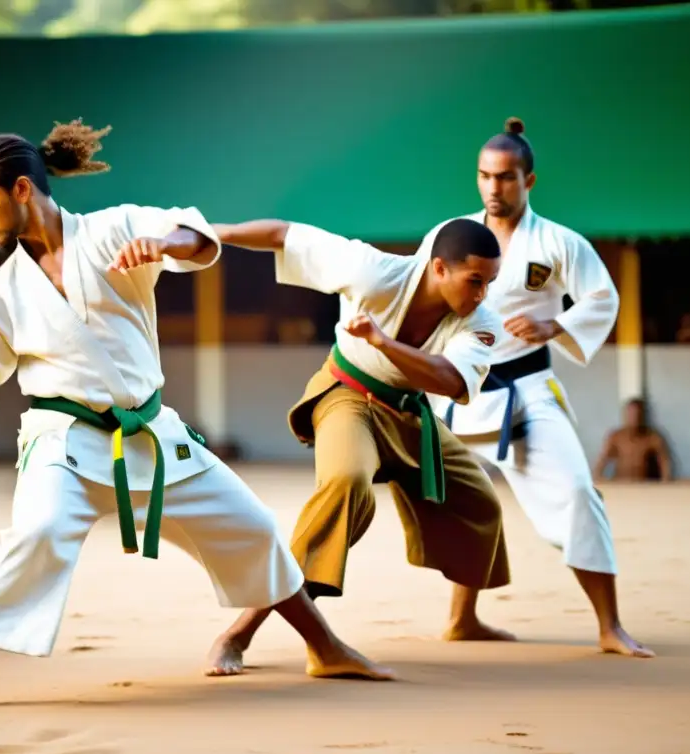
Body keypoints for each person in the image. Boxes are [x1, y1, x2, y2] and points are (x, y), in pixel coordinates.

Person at [0, 120, 393, 718]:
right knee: (35, 536)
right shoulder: (2, 292)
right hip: (64, 443)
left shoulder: (111, 229)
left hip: (151, 434)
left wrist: (165, 247)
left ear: (22, 190)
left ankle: (325, 646)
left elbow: (194, 234)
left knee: (253, 528)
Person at [204, 216, 511, 676]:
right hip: (348, 396)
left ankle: (463, 621)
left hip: (410, 414)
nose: (482, 294)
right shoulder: (373, 271)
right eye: (474, 281)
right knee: (346, 485)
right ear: (439, 269)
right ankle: (238, 634)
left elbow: (449, 380)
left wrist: (385, 343)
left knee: (480, 500)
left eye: (490, 283)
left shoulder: (481, 321)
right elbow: (283, 235)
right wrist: (211, 234)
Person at [425, 117, 654, 658]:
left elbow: (602, 298)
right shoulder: (453, 235)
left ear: (529, 180)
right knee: (466, 505)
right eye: (484, 176)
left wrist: (557, 326)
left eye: (505, 177)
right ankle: (461, 619)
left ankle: (609, 626)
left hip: (526, 391)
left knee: (577, 492)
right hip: (458, 392)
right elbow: (417, 294)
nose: (493, 188)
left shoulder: (557, 242)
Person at [593, 399, 671, 482]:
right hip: (621, 484)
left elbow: (665, 463)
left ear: (643, 416)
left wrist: (664, 483)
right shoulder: (616, 437)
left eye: (637, 414)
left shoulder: (653, 438)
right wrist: (598, 480)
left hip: (644, 486)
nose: (634, 418)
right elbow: (601, 461)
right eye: (631, 414)